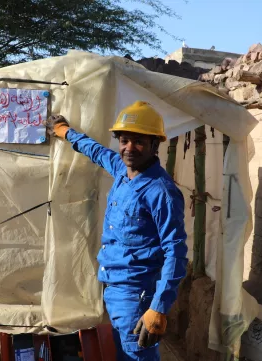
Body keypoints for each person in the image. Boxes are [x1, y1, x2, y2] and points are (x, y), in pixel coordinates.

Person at [44, 101, 188, 361]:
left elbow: (175, 252)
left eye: (139, 141)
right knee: (123, 353)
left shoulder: (161, 192)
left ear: (155, 145)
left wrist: (159, 307)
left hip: (137, 295)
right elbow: (97, 152)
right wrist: (65, 132)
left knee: (136, 356)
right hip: (113, 288)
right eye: (124, 140)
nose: (129, 148)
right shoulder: (123, 170)